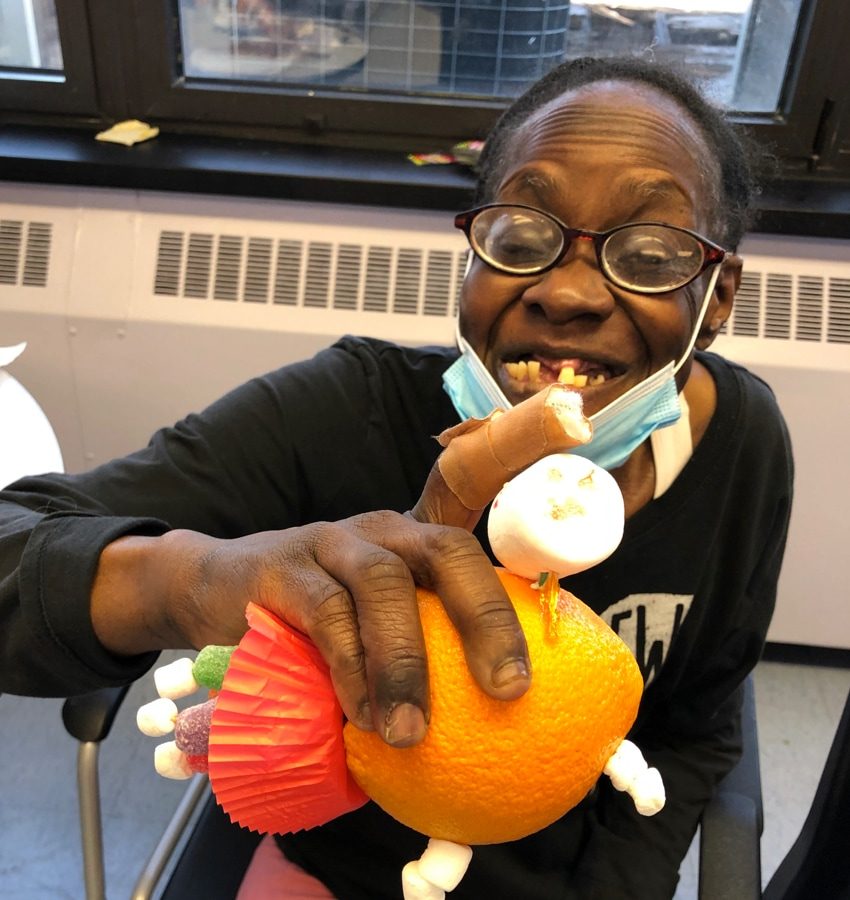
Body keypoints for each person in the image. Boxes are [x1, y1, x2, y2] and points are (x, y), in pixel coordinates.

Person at [0, 55, 793, 899]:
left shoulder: (742, 443)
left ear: (718, 300)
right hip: (351, 863)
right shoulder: (347, 411)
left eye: (650, 253)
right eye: (522, 237)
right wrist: (188, 582)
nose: (567, 294)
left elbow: (699, 727)